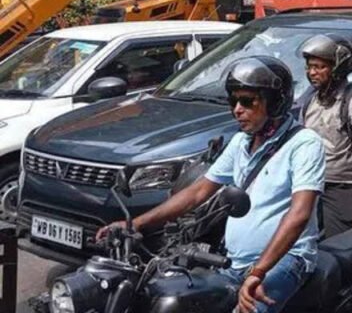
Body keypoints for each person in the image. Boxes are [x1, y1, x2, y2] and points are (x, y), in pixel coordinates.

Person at [97, 57, 325, 313]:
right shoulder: (241, 142)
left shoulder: (304, 143)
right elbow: (197, 193)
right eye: (233, 101)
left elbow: (300, 213)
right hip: (234, 261)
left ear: (275, 102)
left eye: (247, 101)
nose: (237, 109)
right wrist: (136, 224)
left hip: (285, 260)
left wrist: (259, 270)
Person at [299, 34, 352, 236]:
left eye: (319, 67)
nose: (312, 72)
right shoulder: (310, 101)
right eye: (310, 67)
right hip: (311, 185)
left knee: (337, 251)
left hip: (343, 189)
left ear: (337, 67)